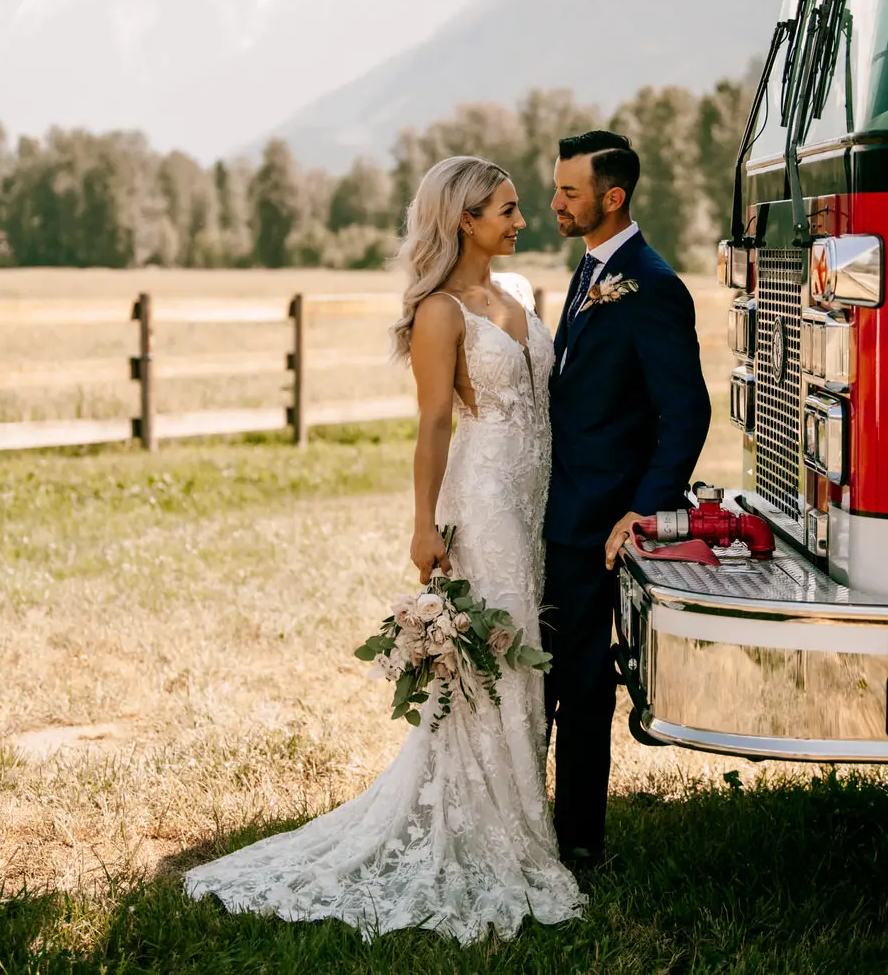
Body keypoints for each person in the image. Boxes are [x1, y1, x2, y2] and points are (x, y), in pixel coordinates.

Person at [185, 156, 583, 944]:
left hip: (537, 494)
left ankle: (521, 817)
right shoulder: (440, 313)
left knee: (527, 652)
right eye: (505, 210)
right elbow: (435, 422)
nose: (521, 220)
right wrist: (423, 523)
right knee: (499, 655)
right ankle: (493, 829)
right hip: (487, 498)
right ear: (464, 220)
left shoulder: (520, 294)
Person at [545, 130, 711, 865]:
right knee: (546, 675)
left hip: (597, 523)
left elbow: (687, 411)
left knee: (582, 686)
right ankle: (530, 822)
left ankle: (580, 845)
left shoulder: (652, 284)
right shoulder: (589, 272)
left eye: (569, 192)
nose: (555, 202)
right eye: (554, 188)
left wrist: (644, 510)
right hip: (555, 513)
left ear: (612, 198)